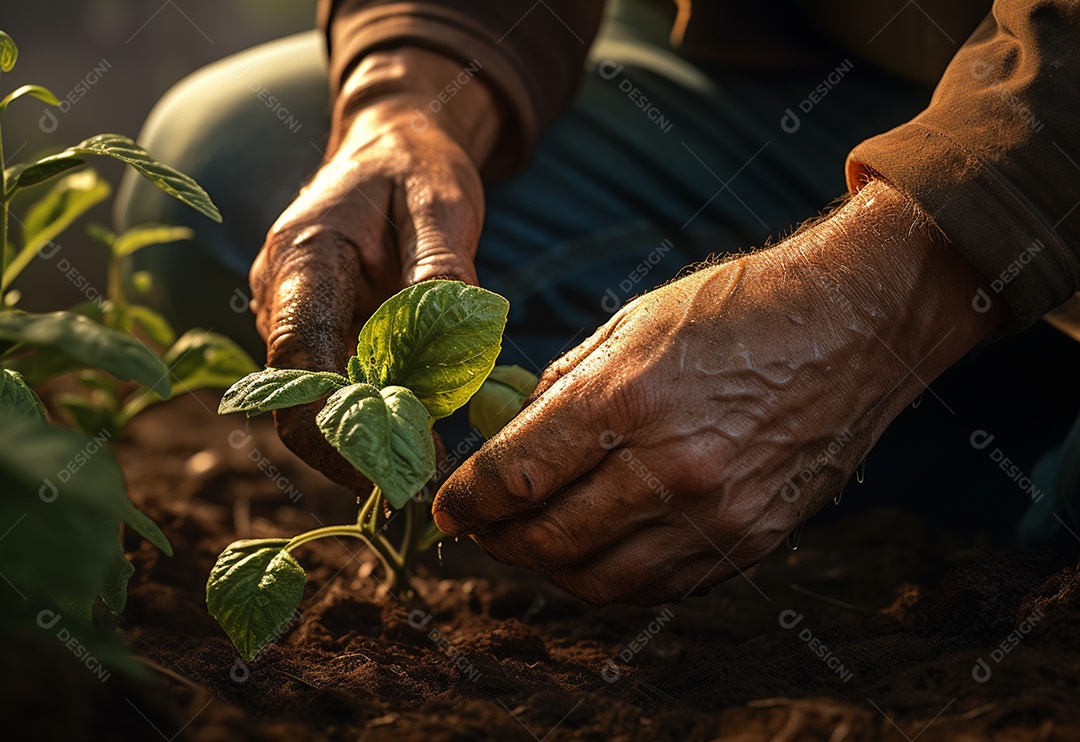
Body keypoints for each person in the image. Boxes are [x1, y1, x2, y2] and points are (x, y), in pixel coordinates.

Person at [117, 0, 1080, 605]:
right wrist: (409, 100)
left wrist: (882, 297)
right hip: (810, 81)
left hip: (1045, 117)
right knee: (239, 173)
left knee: (1053, 555)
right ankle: (885, 441)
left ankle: (975, 458)